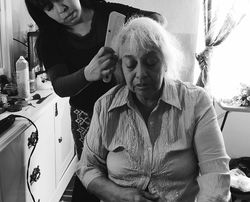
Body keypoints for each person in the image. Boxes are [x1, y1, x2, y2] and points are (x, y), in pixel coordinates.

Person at [23, 0, 166, 202]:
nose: (62, 9)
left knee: (131, 172)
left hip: (128, 110)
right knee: (91, 177)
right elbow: (59, 86)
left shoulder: (107, 13)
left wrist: (131, 49)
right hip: (87, 115)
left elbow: (157, 19)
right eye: (50, 7)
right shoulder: (50, 40)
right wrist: (87, 73)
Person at [76, 16, 231, 202]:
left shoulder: (196, 102)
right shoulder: (105, 107)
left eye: (150, 63)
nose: (140, 74)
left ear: (165, 63)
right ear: (120, 67)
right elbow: (87, 167)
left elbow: (215, 174)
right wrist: (120, 195)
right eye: (130, 64)